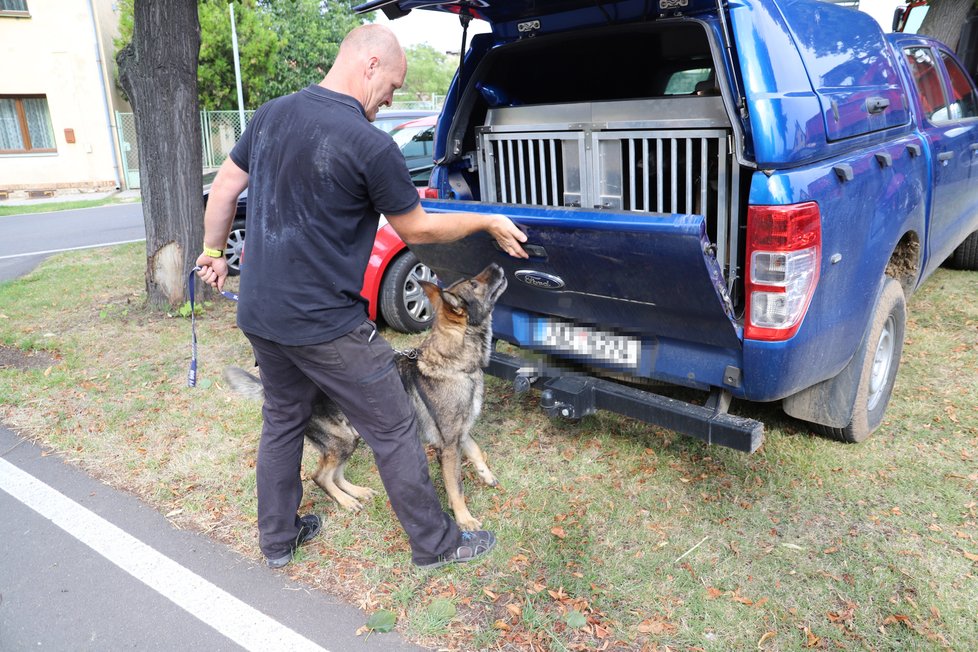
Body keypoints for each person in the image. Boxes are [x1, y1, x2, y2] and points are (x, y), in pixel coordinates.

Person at [195, 24, 528, 570]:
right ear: (370, 64)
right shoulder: (369, 144)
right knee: (395, 426)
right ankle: (437, 544)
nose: (391, 98)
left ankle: (278, 541)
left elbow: (227, 185)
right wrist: (487, 219)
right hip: (326, 324)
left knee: (282, 420)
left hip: (260, 312)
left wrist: (213, 252)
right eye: (393, 85)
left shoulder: (273, 113)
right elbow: (416, 229)